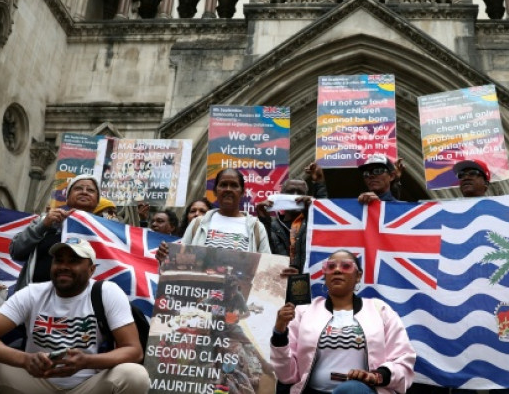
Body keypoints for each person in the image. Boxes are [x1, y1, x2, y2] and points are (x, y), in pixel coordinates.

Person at [0, 238, 148, 394]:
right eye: (59, 260)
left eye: (74, 261)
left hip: (88, 384)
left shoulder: (107, 292)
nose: (64, 266)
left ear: (91, 270)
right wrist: (25, 360)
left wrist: (87, 361)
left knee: (134, 376)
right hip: (34, 382)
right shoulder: (32, 293)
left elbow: (133, 350)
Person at [271, 249, 416, 394]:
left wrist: (375, 376)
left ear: (358, 276)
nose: (337, 270)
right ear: (325, 275)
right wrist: (279, 332)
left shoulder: (380, 311)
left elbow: (403, 361)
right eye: (331, 267)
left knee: (351, 389)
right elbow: (286, 375)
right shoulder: (304, 312)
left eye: (346, 266)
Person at [10, 174, 100, 290]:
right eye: (78, 188)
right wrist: (43, 225)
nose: (84, 192)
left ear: (97, 200)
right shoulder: (46, 220)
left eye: (90, 190)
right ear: (67, 198)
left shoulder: (106, 233)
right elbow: (16, 251)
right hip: (34, 300)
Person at [157, 168, 271, 261]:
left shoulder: (256, 228)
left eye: (234, 185)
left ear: (242, 192)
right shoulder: (198, 224)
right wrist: (165, 258)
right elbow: (178, 260)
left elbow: (267, 269)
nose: (228, 189)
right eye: (223, 185)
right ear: (215, 191)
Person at [256, 178, 313, 271]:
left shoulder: (313, 224)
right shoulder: (270, 225)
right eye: (290, 192)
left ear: (306, 196)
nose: (295, 196)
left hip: (307, 282)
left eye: (300, 192)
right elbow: (263, 254)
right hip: (278, 282)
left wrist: (314, 208)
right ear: (281, 195)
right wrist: (264, 221)